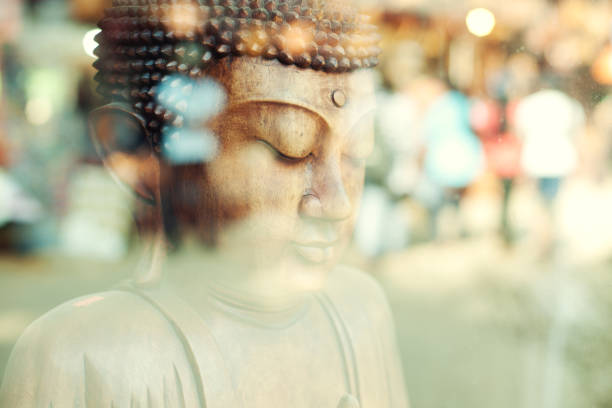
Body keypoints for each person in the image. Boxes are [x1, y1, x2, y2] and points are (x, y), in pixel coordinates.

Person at [0, 1, 409, 407]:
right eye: (289, 148)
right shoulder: (82, 356)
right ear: (140, 157)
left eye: (358, 152)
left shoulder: (360, 313)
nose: (336, 202)